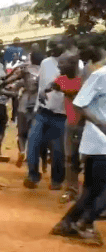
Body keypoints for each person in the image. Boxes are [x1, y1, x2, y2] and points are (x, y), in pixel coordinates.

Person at [50, 60, 106, 246]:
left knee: (92, 190)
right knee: (97, 189)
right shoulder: (100, 75)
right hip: (98, 142)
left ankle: (66, 224)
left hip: (99, 143)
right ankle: (84, 222)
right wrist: (101, 125)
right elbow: (79, 104)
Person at [24, 36, 67, 190]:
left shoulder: (75, 63)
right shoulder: (45, 62)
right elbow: (41, 87)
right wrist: (35, 107)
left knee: (57, 150)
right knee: (33, 142)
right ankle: (33, 175)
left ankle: (57, 180)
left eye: (55, 45)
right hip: (42, 111)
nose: (52, 48)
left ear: (63, 45)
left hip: (61, 114)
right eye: (50, 45)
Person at [47, 53, 83, 203]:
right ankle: (71, 190)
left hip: (87, 125)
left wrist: (67, 92)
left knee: (89, 161)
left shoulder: (84, 79)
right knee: (70, 159)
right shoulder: (62, 79)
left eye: (62, 63)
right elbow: (52, 85)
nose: (58, 66)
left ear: (72, 64)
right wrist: (45, 90)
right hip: (71, 124)